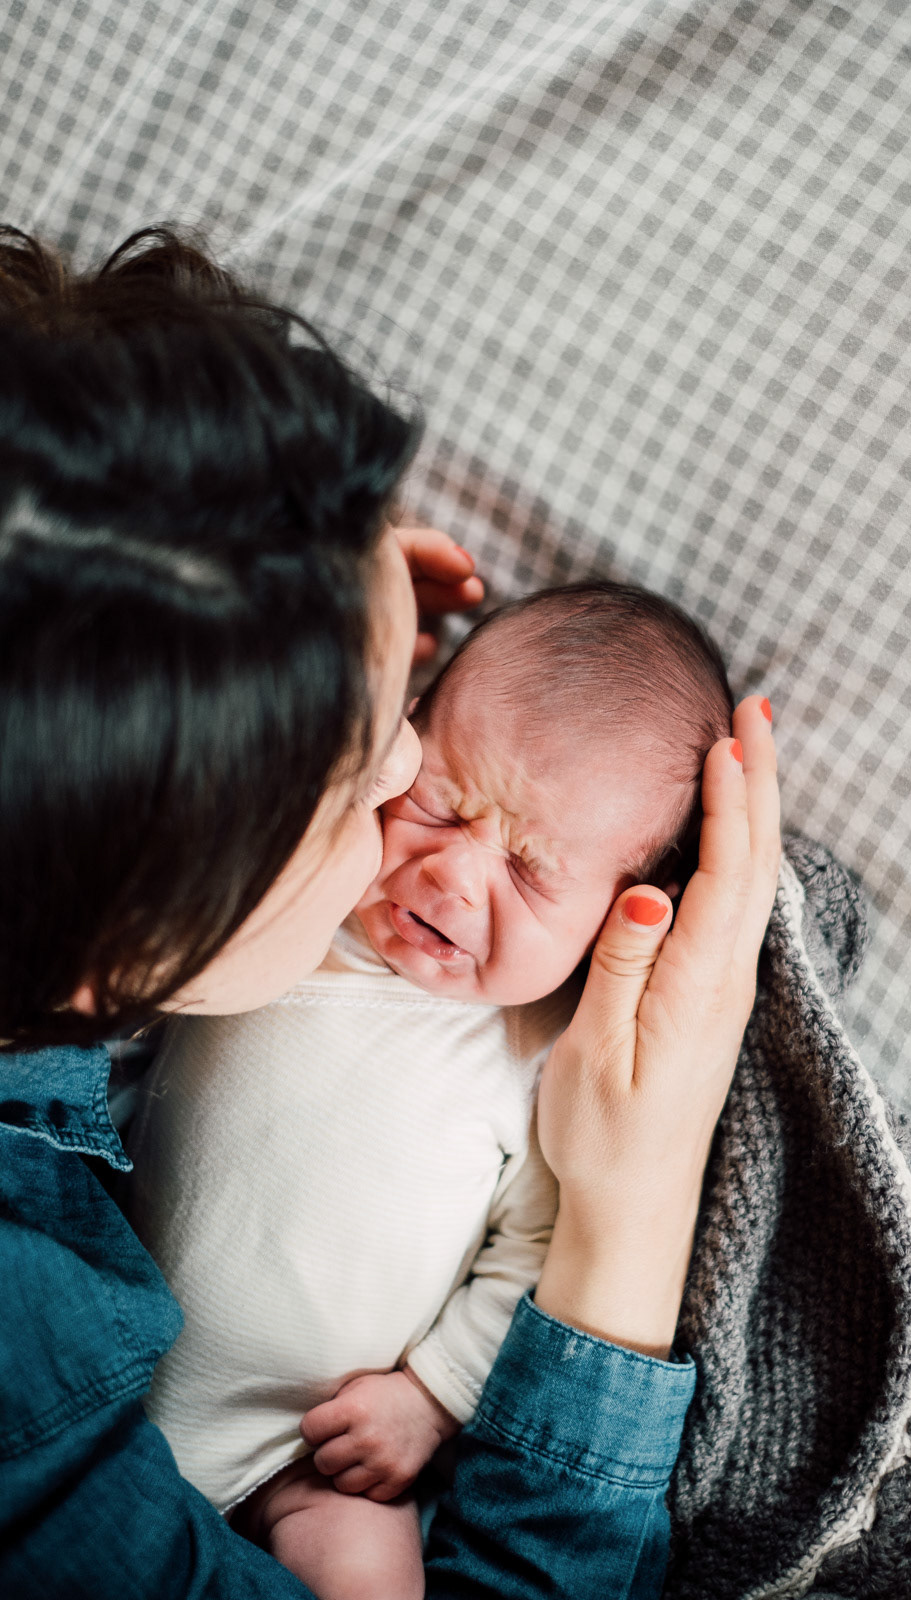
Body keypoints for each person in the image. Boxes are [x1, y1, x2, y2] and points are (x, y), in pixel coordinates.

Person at [0, 224, 781, 1599]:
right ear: (140, 936)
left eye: (398, 706)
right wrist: (643, 1197)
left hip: (306, 1453)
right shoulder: (30, 1410)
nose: (411, 772)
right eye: (379, 773)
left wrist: (253, 600)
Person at [128, 581, 738, 1600]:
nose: (454, 877)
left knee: (364, 1558)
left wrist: (430, 1396)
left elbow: (532, 1257)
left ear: (620, 914)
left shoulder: (536, 1054)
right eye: (440, 806)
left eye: (530, 872)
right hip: (102, 1334)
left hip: (306, 1455)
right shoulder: (301, 900)